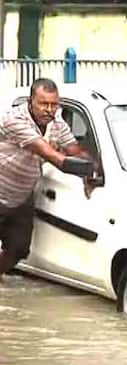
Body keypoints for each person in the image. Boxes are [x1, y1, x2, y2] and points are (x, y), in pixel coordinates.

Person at [0, 78, 94, 278]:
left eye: (53, 104)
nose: (49, 110)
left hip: (21, 196)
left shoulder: (57, 122)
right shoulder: (13, 120)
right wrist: (78, 167)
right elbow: (50, 154)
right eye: (43, 104)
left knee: (18, 250)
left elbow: (74, 150)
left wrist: (92, 170)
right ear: (30, 101)